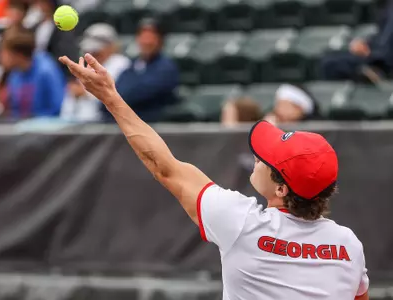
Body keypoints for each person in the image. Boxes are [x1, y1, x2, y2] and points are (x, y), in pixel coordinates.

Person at [59, 53, 369, 300]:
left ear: (282, 188)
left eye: (266, 159)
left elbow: (162, 165)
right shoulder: (349, 246)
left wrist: (110, 97)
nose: (258, 159)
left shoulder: (242, 223)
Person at [106, 17, 179, 123]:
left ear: (160, 40)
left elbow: (138, 95)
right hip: (126, 123)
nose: (147, 41)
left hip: (153, 125)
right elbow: (114, 91)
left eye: (151, 37)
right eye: (143, 36)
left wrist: (115, 99)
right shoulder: (132, 65)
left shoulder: (166, 67)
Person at [61, 23, 130, 122]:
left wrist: (85, 93)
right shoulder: (87, 64)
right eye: (90, 51)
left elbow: (116, 97)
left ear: (111, 47)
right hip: (76, 125)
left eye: (97, 51)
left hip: (106, 124)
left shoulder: (121, 64)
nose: (92, 53)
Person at [0, 25, 65, 119]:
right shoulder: (15, 74)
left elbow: (57, 108)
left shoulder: (46, 71)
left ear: (18, 55)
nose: (0, 57)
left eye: (4, 52)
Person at [321, 0, 393, 80]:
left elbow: (385, 52)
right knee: (329, 56)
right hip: (377, 54)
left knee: (330, 63)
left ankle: (375, 75)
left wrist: (369, 52)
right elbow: (382, 36)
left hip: (382, 63)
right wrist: (366, 43)